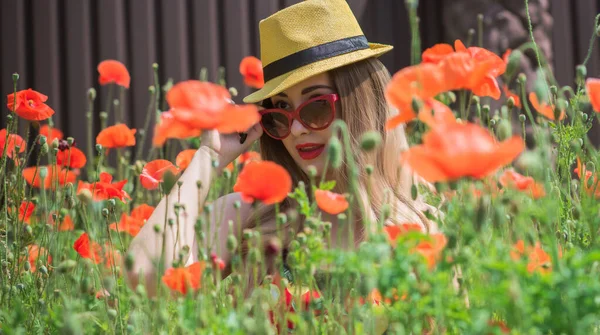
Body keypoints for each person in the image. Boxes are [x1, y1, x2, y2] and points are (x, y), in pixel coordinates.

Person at [127, 0, 433, 295]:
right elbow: (143, 276)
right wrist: (210, 156)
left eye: (316, 107)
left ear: (361, 105)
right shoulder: (250, 216)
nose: (297, 129)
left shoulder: (420, 227)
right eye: (280, 112)